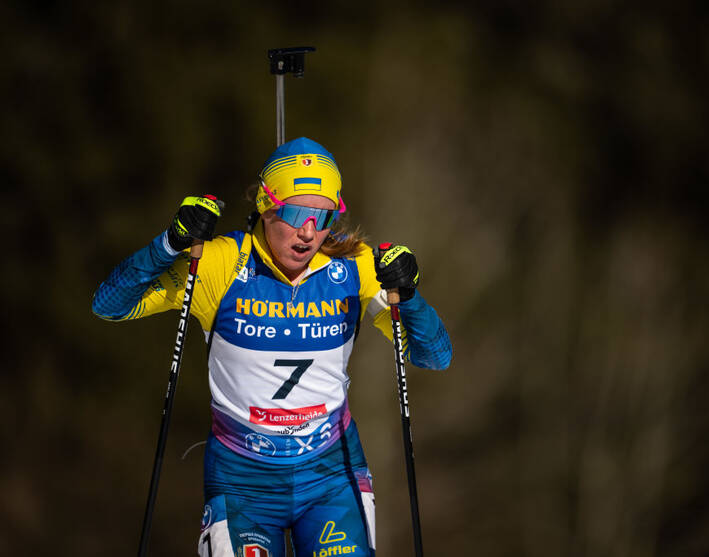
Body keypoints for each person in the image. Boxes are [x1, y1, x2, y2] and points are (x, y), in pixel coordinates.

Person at [92, 137, 452, 557]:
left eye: (323, 215)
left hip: (330, 474)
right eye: (296, 212)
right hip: (243, 481)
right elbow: (110, 306)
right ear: (266, 204)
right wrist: (170, 242)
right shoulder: (221, 264)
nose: (308, 231)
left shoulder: (355, 268)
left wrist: (408, 297)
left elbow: (434, 355)